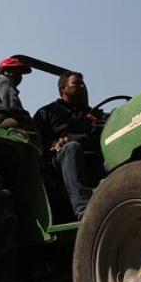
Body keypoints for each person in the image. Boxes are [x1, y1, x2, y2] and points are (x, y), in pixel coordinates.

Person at [34, 71, 105, 219]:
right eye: (76, 83)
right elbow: (35, 141)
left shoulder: (92, 113)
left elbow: (111, 120)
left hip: (92, 159)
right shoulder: (47, 112)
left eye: (82, 83)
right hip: (60, 160)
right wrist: (52, 143)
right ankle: (83, 210)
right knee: (73, 147)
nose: (81, 86)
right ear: (63, 89)